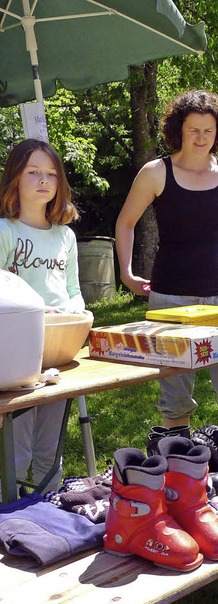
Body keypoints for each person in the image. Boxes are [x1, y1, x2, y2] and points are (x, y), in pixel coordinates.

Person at [115, 89, 218, 430]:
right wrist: (127, 272)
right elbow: (125, 222)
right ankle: (180, 461)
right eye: (194, 130)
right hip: (169, 298)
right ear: (179, 129)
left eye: (209, 130)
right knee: (175, 399)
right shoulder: (156, 172)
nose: (201, 138)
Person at [0, 139, 88, 492]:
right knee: (17, 443)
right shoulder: (5, 231)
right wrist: (35, 308)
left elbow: (73, 289)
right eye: (33, 171)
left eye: (51, 173)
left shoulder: (65, 235)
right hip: (17, 356)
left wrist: (78, 312)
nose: (43, 180)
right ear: (14, 179)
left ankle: (49, 502)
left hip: (60, 348)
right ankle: (10, 507)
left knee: (51, 440)